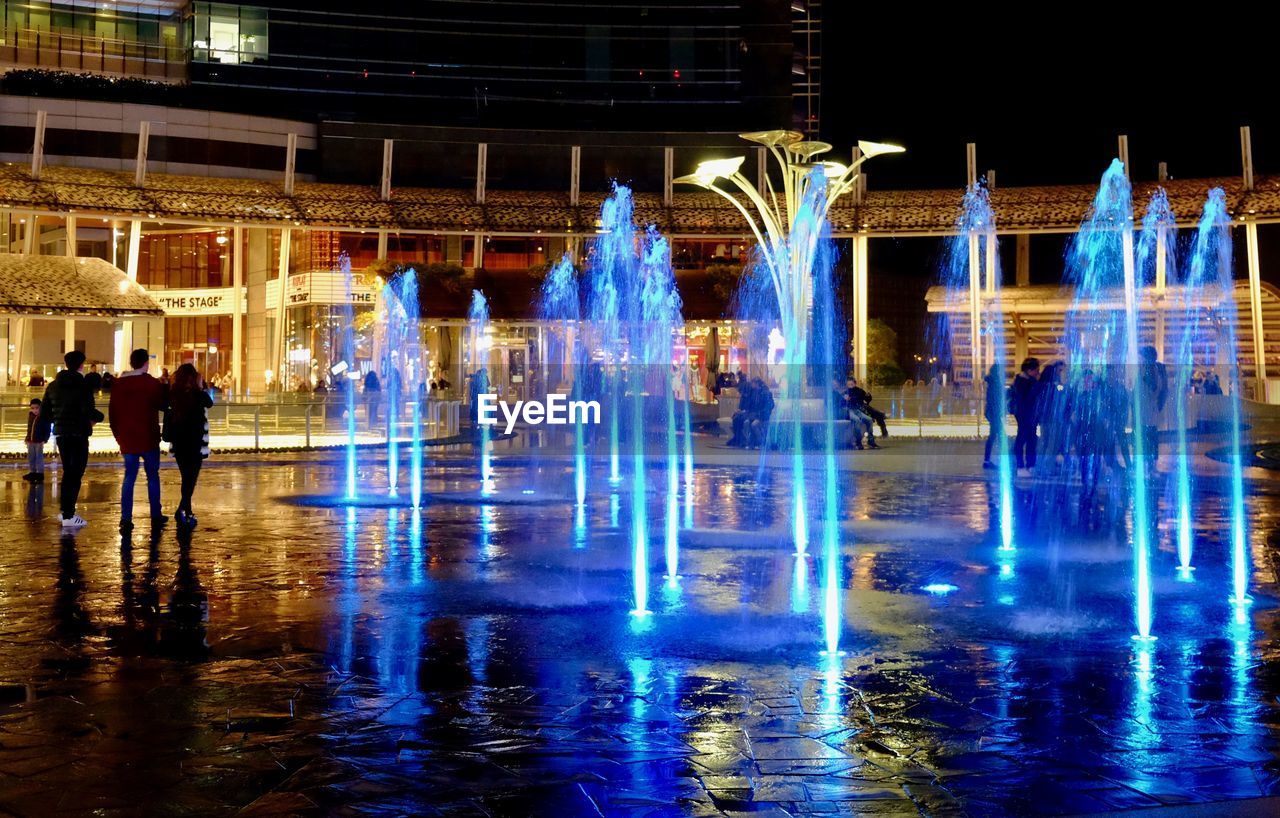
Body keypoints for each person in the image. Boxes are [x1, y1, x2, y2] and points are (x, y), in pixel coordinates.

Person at [39, 350, 104, 528]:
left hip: (61, 434)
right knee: (76, 474)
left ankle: (65, 511)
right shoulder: (82, 385)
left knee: (68, 472)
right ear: (81, 365)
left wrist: (59, 420)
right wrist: (100, 417)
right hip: (79, 434)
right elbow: (87, 410)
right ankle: (69, 515)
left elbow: (45, 413)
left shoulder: (52, 386)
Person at [109, 348, 168, 532]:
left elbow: (113, 414)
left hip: (128, 439)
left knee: (129, 477)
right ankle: (156, 515)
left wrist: (119, 437)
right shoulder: (151, 383)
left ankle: (126, 518)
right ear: (146, 363)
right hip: (148, 437)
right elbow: (163, 405)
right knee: (152, 476)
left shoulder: (119, 384)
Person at [167, 363, 213, 528]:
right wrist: (200, 386)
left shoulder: (173, 393)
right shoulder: (198, 394)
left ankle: (186, 510)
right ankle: (182, 510)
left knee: (187, 478)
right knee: (190, 479)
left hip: (179, 443)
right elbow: (210, 403)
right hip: (195, 444)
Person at [1137, 346, 1168, 477]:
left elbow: (1153, 389)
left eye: (1142, 356)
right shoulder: (1154, 369)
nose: (1140, 359)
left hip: (1147, 411)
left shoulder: (1149, 370)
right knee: (1151, 440)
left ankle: (1148, 468)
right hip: (1150, 410)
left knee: (1148, 440)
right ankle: (1150, 468)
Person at [1009, 357, 1041, 478]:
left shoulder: (1029, 381)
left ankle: (1030, 465)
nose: (1038, 373)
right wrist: (1036, 385)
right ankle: (1020, 466)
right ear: (1029, 370)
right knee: (1022, 439)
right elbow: (1026, 400)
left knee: (1032, 439)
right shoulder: (1022, 382)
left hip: (1031, 415)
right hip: (1024, 415)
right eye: (1036, 370)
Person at [982, 363, 1006, 469]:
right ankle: (991, 461)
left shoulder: (992, 382)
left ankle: (988, 461)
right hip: (994, 413)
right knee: (997, 436)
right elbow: (995, 399)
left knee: (995, 436)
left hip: (992, 413)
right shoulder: (995, 382)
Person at [23, 398, 50, 482]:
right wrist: (27, 438)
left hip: (39, 441)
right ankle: (32, 472)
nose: (34, 410)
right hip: (30, 441)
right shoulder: (30, 416)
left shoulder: (44, 417)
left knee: (39, 458)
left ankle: (40, 473)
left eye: (37, 408)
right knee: (31, 457)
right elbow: (29, 428)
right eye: (32, 408)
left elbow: (47, 429)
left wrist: (45, 439)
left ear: (40, 408)